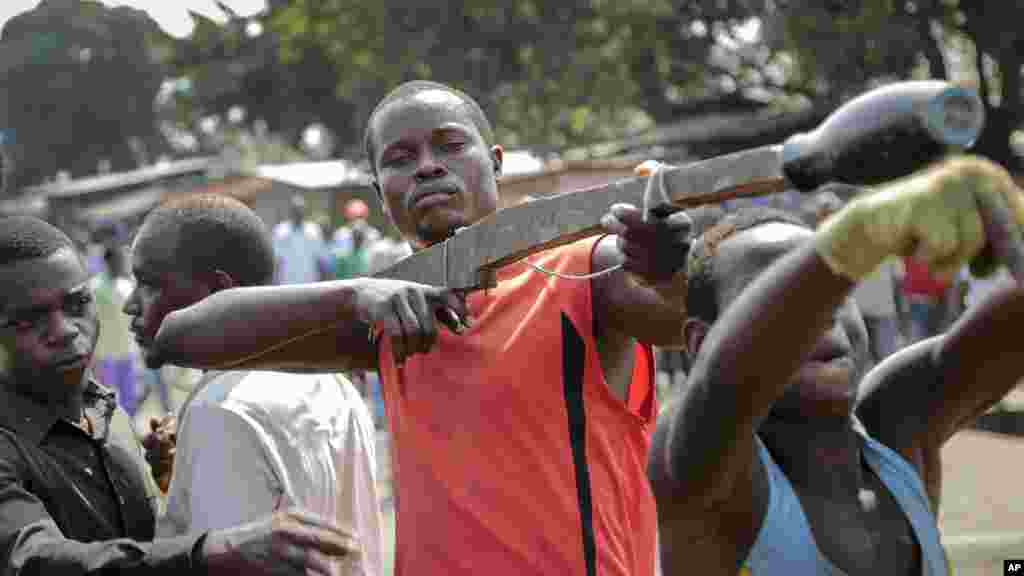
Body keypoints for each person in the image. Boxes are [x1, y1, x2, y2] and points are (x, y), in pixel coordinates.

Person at [144, 80, 694, 575]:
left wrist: (666, 271)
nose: (428, 166)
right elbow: (178, 336)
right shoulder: (383, 313)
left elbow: (681, 320)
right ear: (381, 194)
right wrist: (358, 293)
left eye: (451, 146)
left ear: (495, 163)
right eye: (401, 158)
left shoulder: (580, 269)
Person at [649, 156, 1024, 575]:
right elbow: (724, 379)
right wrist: (857, 235)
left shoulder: (896, 425)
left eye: (837, 292)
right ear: (702, 342)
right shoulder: (701, 469)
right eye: (792, 296)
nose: (822, 313)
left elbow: (1007, 332)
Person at [0, 215, 357, 575]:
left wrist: (175, 484)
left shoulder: (105, 413)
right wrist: (212, 551)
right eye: (28, 321)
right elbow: (34, 559)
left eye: (77, 304)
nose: (63, 330)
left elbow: (142, 545)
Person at [123, 194, 384, 575]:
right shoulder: (331, 384)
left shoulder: (222, 412)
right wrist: (182, 482)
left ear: (216, 293)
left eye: (148, 285)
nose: (130, 304)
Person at [273, 194, 326, 284]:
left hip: (309, 284)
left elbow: (320, 259)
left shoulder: (314, 230)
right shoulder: (281, 231)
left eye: (300, 209)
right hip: (286, 284)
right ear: (291, 211)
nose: (298, 212)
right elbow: (276, 261)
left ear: (304, 211)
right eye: (295, 209)